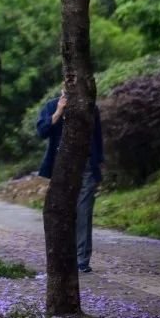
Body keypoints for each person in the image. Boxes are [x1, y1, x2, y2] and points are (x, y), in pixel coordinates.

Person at [37, 82, 104, 273]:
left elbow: (97, 137)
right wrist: (58, 112)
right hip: (61, 167)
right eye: (66, 91)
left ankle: (82, 261)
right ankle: (62, 257)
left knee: (84, 212)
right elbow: (41, 131)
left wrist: (98, 162)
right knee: (60, 212)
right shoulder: (51, 106)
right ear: (61, 91)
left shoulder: (91, 108)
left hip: (86, 167)